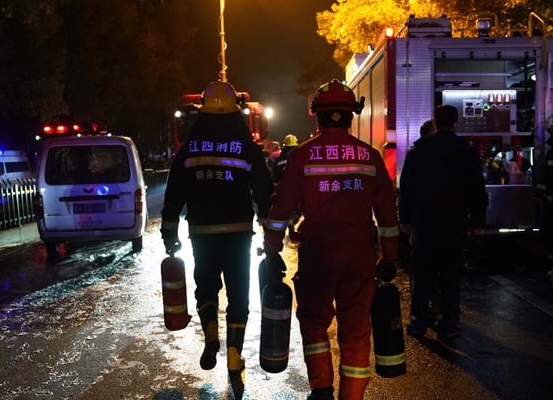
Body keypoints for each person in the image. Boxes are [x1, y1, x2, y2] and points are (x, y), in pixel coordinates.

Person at [263, 79, 399, 400]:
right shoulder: (369, 156)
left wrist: (272, 251)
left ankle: (321, 390)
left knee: (313, 322)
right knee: (355, 331)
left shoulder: (302, 156)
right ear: (351, 115)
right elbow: (387, 214)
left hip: (318, 255)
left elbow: (280, 209)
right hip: (360, 256)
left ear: (317, 116)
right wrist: (390, 256)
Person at [160, 80, 273, 392]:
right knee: (239, 294)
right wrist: (269, 224)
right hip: (238, 232)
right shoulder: (244, 145)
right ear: (236, 110)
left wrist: (169, 232)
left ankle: (211, 332)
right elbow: (262, 185)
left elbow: (174, 194)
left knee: (206, 286)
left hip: (201, 231)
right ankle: (234, 356)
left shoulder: (191, 148)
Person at [398, 104, 488, 343]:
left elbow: (406, 188)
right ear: (455, 122)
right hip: (454, 224)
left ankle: (418, 321)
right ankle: (449, 324)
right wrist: (477, 220)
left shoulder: (418, 150)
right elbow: (476, 188)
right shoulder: (465, 151)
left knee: (422, 274)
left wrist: (405, 219)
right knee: (451, 277)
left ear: (435, 122)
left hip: (424, 223)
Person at [272, 134, 301, 238]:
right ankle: (292, 224)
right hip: (298, 189)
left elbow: (274, 175)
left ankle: (286, 228)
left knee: (285, 211)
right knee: (298, 209)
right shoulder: (300, 154)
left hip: (283, 190)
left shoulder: (280, 158)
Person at [535, 126, 553, 280]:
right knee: (548, 235)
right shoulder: (550, 153)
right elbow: (547, 177)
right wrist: (539, 192)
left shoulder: (550, 153)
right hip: (549, 203)